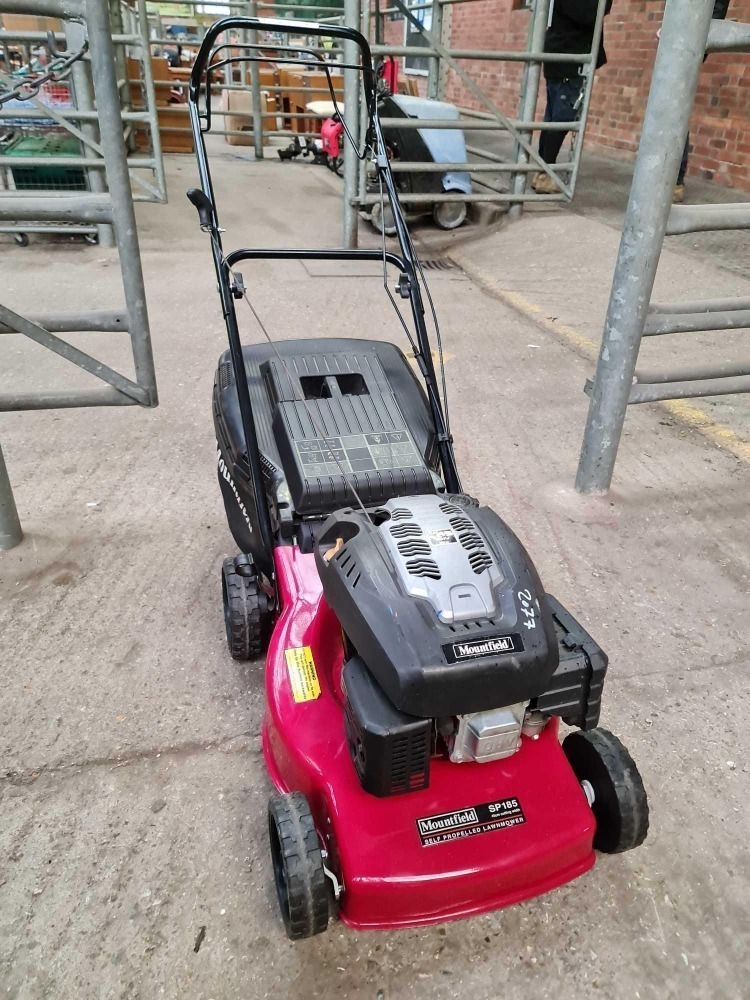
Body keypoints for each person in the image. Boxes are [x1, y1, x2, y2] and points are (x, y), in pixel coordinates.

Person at [532, 0, 613, 195]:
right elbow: (590, 15)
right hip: (568, 60)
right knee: (562, 118)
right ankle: (544, 174)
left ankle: (542, 171)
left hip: (563, 58)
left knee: (553, 119)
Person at [674, 0, 729, 203]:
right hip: (681, 27)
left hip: (690, 30)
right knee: (671, 103)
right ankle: (671, 178)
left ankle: (674, 180)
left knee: (674, 103)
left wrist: (698, 36)